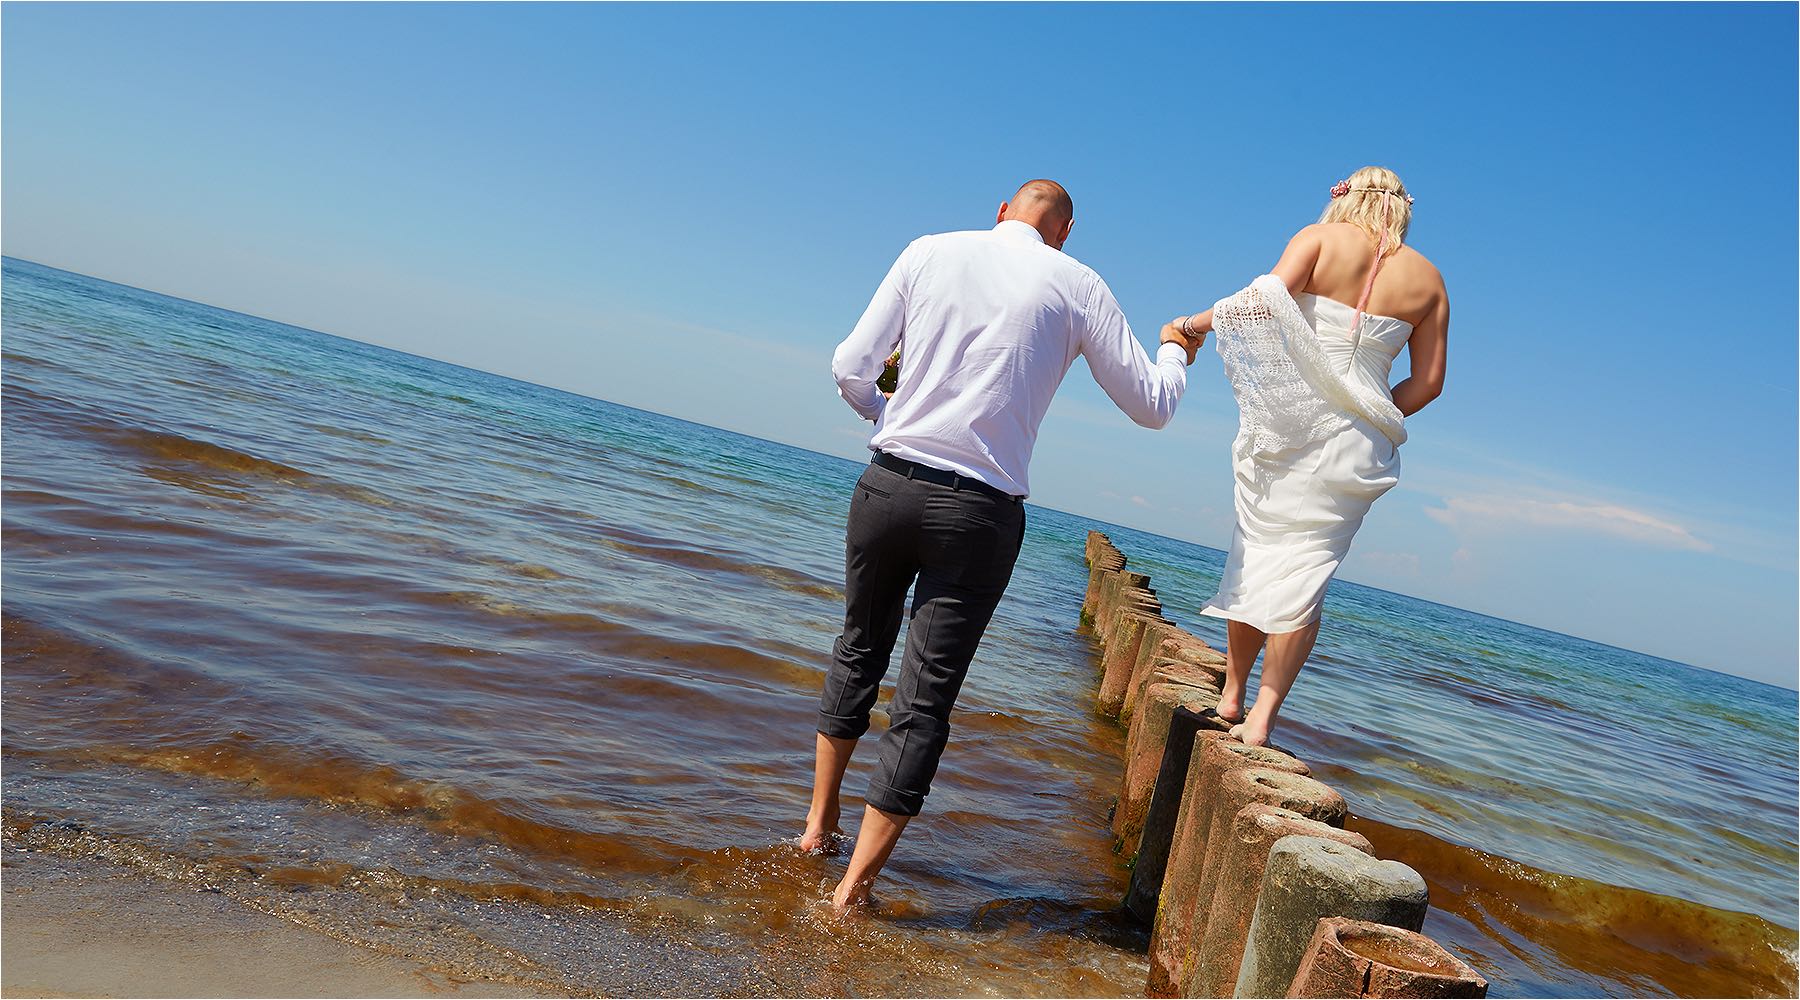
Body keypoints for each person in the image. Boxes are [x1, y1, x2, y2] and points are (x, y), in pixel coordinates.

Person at [808, 179, 1202, 913]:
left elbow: (848, 367)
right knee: (923, 701)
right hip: (977, 512)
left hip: (887, 485)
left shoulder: (929, 251)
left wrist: (888, 409)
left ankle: (816, 827)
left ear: (1000, 212)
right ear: (1065, 232)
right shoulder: (1077, 282)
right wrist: (1176, 350)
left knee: (858, 649)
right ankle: (851, 891)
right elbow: (1152, 405)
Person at [1171, 165, 1449, 748]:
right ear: (1403, 206)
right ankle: (1263, 720)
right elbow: (1428, 384)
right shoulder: (1430, 280)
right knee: (1306, 574)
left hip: (1290, 425)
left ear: (1345, 194)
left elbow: (1261, 301)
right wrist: (1370, 408)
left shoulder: (1318, 239)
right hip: (1358, 441)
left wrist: (1190, 326)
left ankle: (1232, 694)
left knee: (1257, 553)